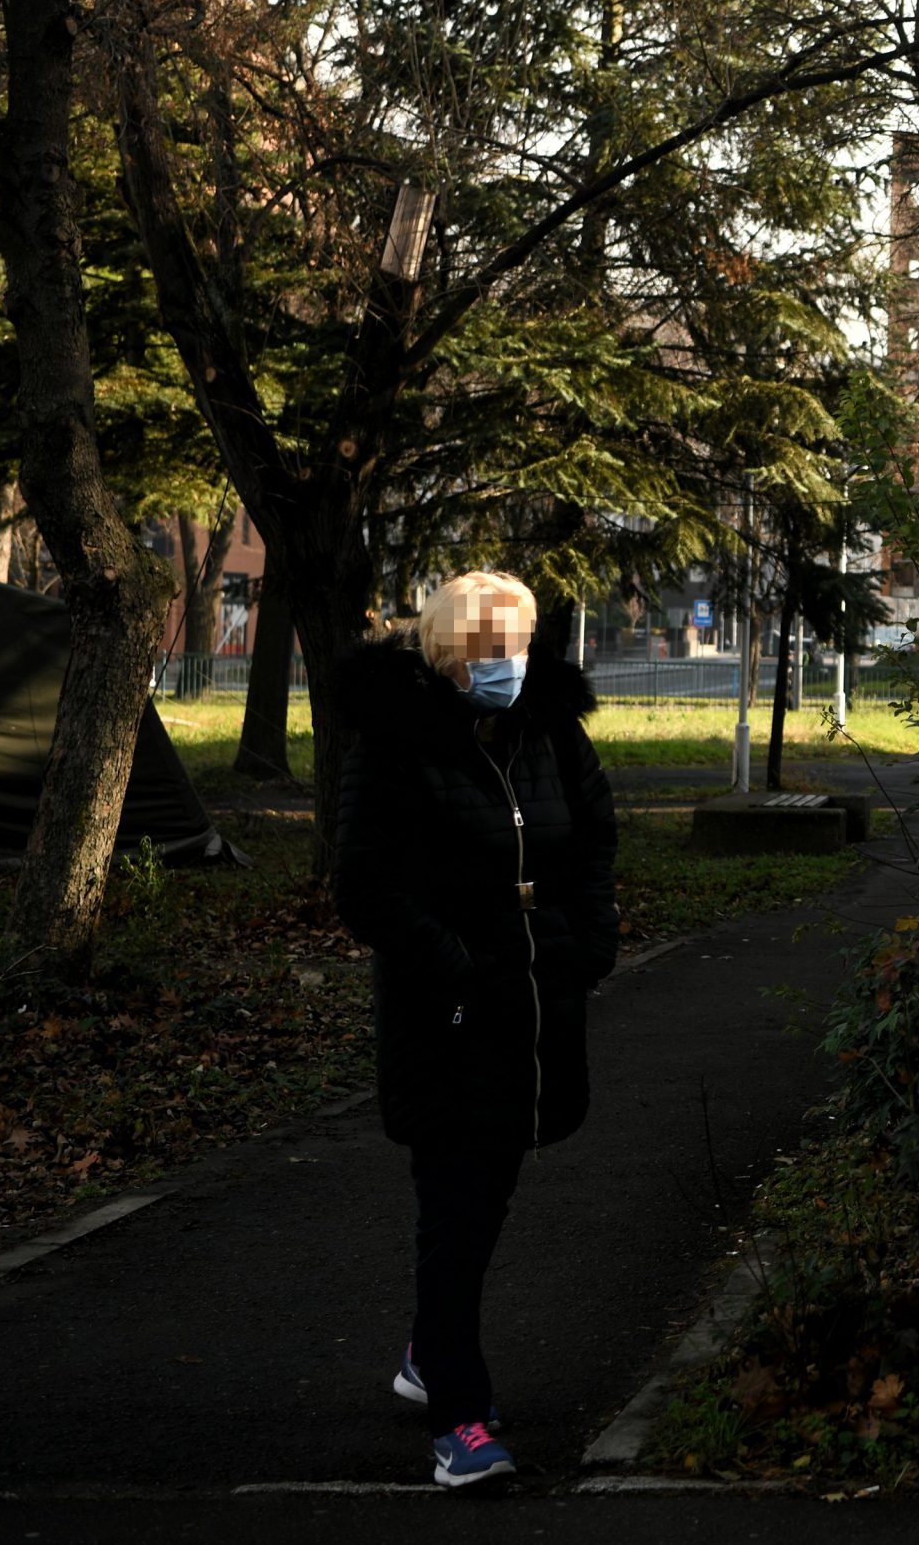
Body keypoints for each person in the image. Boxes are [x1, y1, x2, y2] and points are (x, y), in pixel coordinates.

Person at [332, 571, 618, 1489]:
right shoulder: (396, 741)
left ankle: (429, 1350)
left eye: (518, 645)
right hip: (448, 1016)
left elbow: (594, 840)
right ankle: (460, 1418)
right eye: (488, 650)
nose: (507, 665)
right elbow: (365, 887)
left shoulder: (549, 731)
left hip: (533, 1011)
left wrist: (586, 942)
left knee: (486, 1194)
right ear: (449, 654)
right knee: (455, 1211)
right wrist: (457, 967)